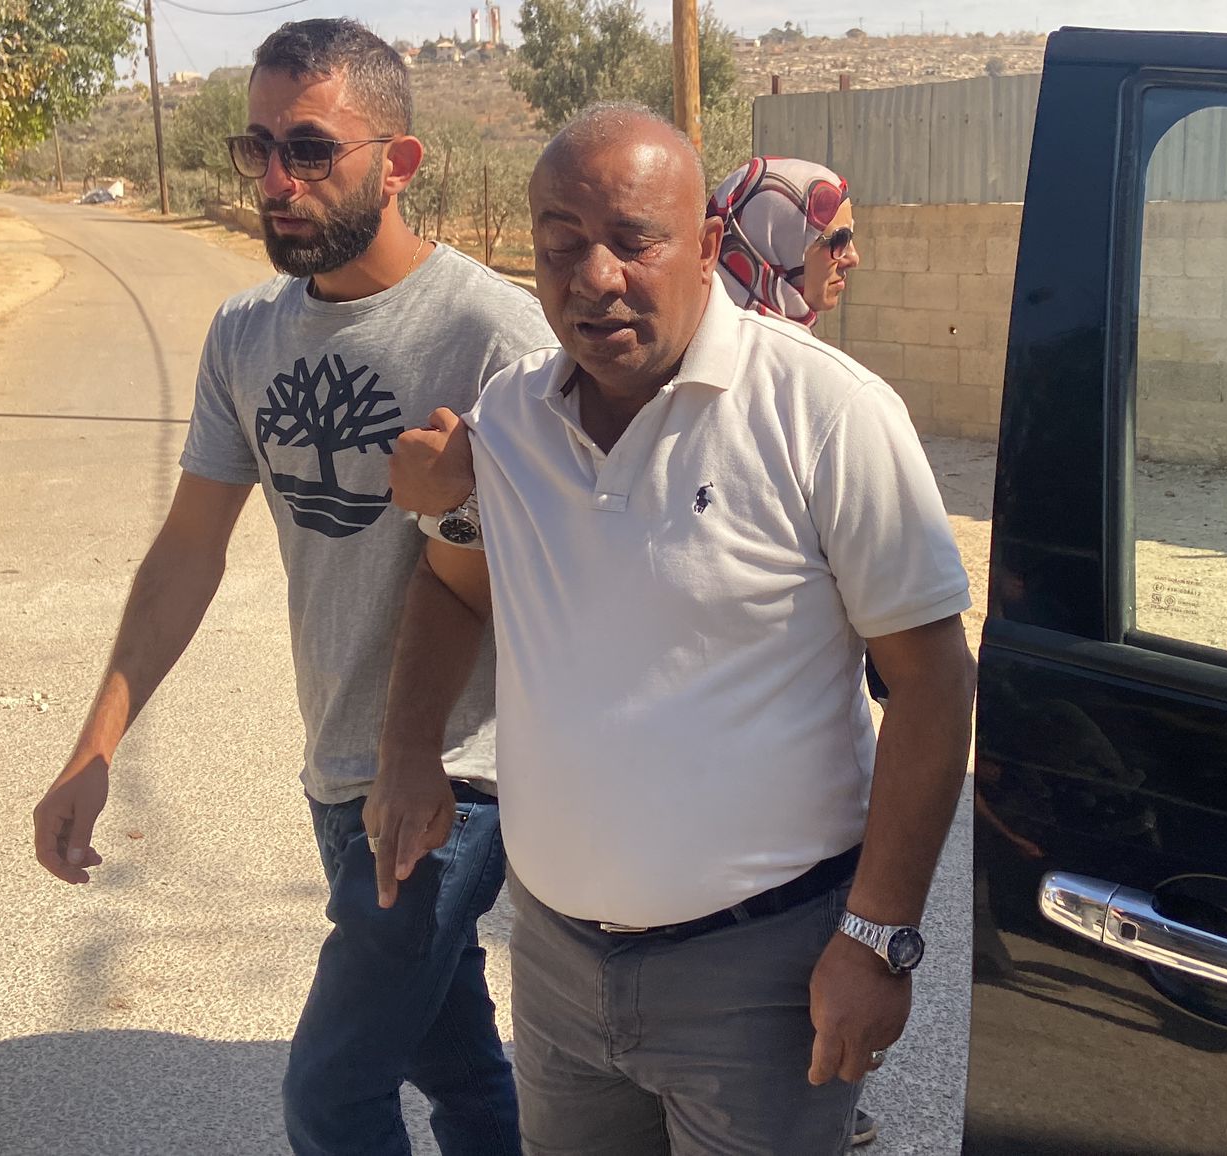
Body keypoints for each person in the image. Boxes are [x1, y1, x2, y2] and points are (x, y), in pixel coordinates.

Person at [371, 103, 976, 1155]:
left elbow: (932, 685)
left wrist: (877, 937)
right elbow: (455, 586)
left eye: (632, 240)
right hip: (557, 964)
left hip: (763, 973)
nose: (593, 276)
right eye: (561, 243)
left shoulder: (825, 414)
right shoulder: (509, 419)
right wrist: (407, 750)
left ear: (705, 245)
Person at [27, 18, 554, 1156]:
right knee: (456, 1061)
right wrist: (95, 745)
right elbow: (188, 549)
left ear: (398, 163)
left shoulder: (494, 334)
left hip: (460, 776)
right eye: (256, 148)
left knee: (330, 1094)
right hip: (338, 766)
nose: (275, 180)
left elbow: (560, 569)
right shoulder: (245, 334)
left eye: (310, 148)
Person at [709, 155, 887, 1149]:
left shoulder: (826, 388)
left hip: (810, 783)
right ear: (767, 240)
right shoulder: (693, 383)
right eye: (835, 237)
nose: (852, 256)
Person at [707, 156, 861, 327]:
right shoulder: (765, 342)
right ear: (776, 244)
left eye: (850, 237)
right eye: (839, 239)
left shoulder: (704, 325)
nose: (853, 258)